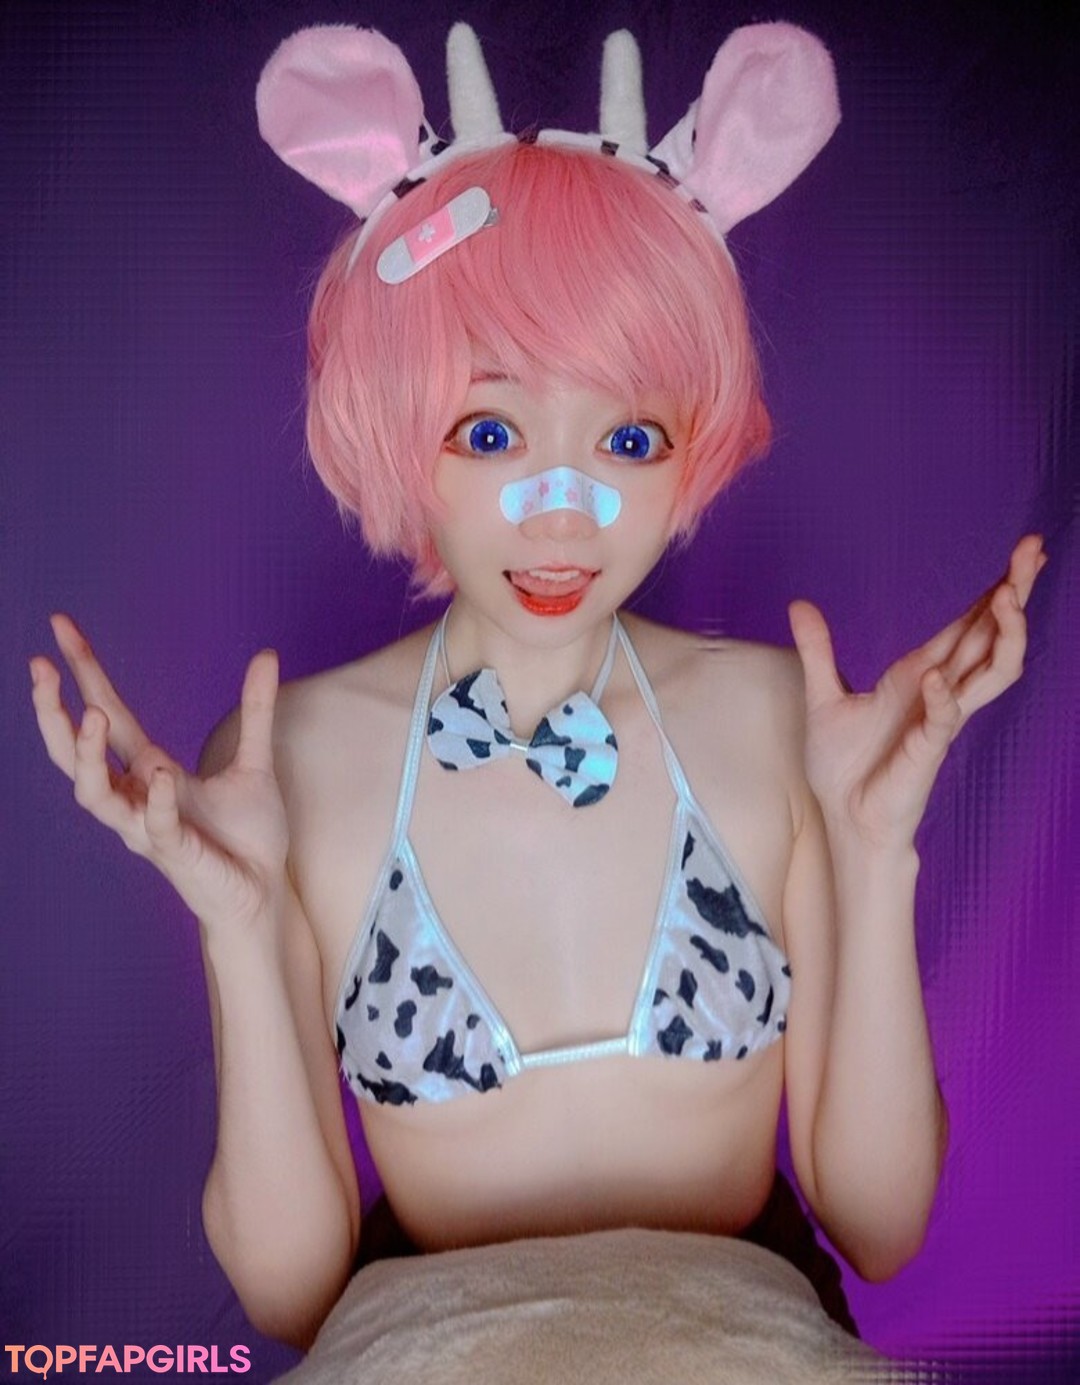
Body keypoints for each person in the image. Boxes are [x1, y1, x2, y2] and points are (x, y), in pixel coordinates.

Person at [29, 19, 1045, 1355]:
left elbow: (879, 1225)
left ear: (692, 445)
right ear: (399, 425)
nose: (562, 511)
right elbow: (290, 1298)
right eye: (492, 429)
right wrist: (239, 924)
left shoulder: (779, 720)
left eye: (630, 437)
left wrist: (875, 850)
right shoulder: (297, 762)